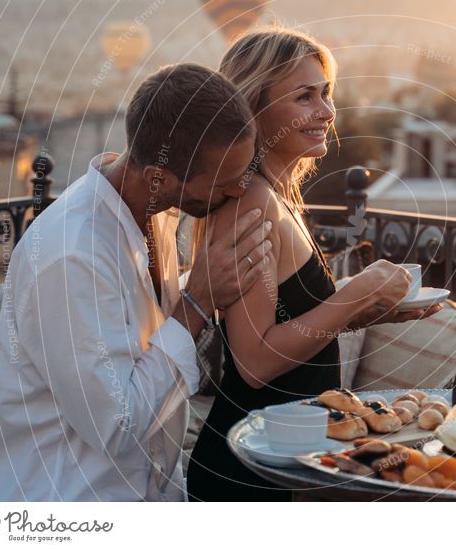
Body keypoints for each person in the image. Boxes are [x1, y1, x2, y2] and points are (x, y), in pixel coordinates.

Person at [0, 63, 271, 501]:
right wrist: (196, 301)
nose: (236, 192)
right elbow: (116, 424)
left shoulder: (155, 212)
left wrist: (216, 280)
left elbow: (128, 313)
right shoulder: (70, 253)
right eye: (225, 185)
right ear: (158, 178)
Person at [187, 27, 442, 501]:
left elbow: (294, 322)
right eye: (305, 97)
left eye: (326, 94)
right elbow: (255, 362)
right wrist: (353, 296)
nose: (326, 112)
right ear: (253, 110)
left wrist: (371, 308)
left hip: (285, 455)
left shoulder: (279, 196)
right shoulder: (251, 204)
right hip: (249, 471)